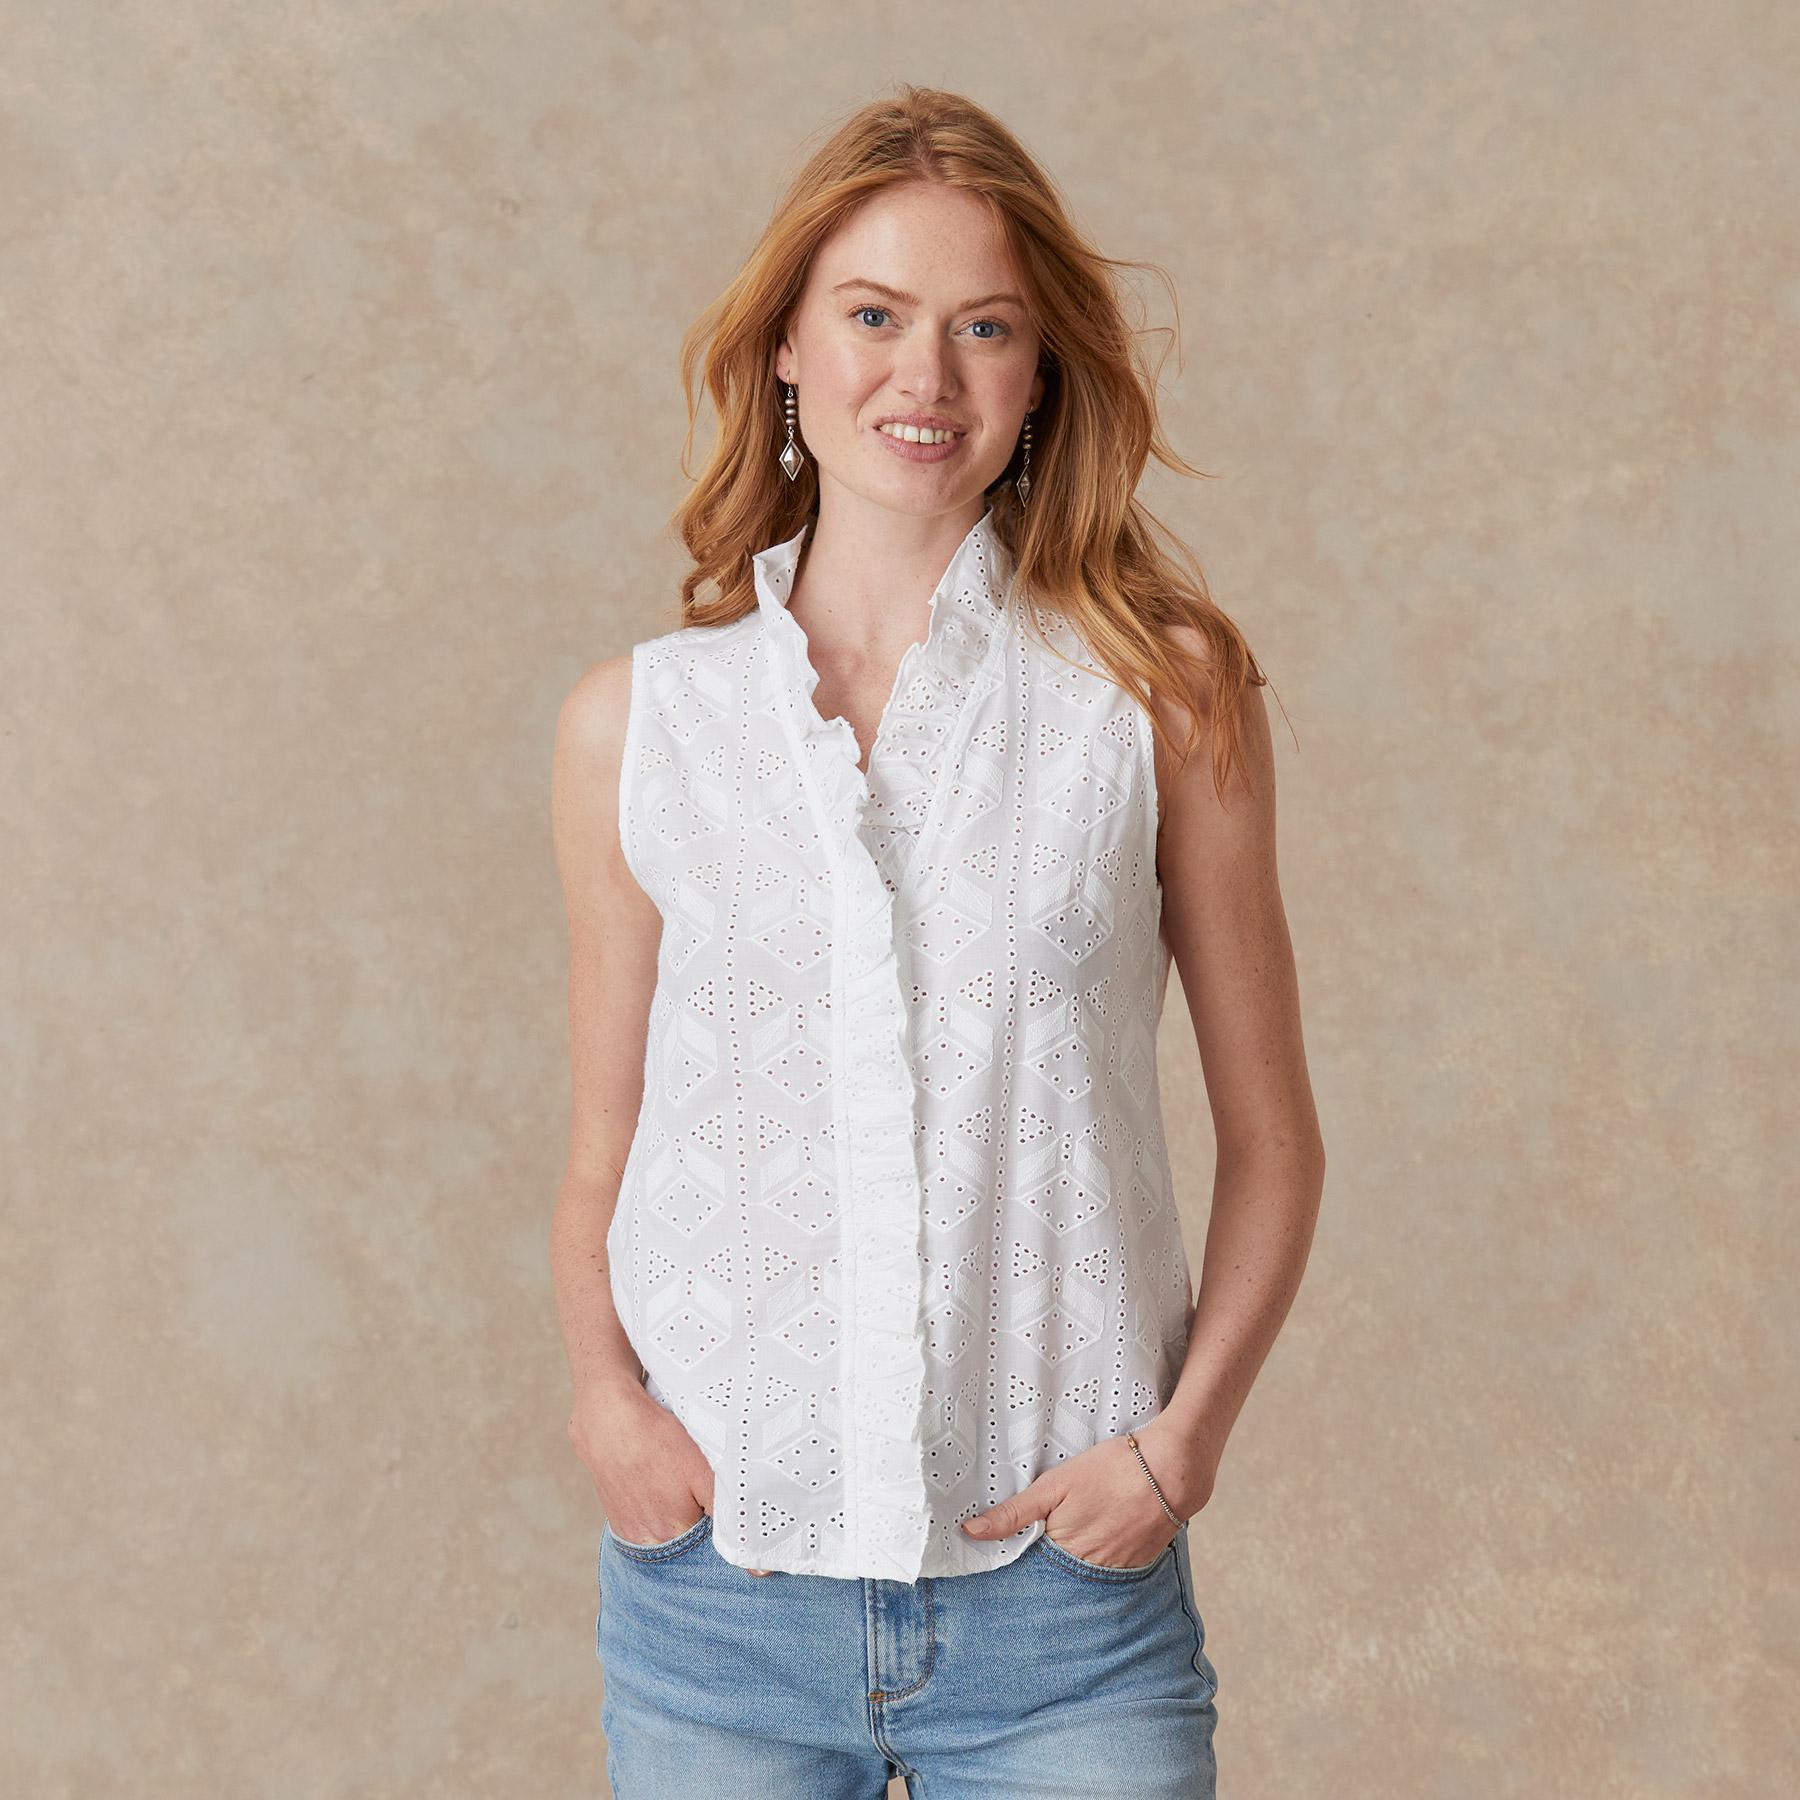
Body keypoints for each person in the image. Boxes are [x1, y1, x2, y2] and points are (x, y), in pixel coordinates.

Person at [550, 84, 1325, 1800]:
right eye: (875, 316)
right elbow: (606, 1144)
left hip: (1063, 1613)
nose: (928, 376)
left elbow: (1274, 1140)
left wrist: (1180, 1448)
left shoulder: (1159, 695)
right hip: (721, 1601)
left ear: (1041, 375)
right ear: (786, 348)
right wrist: (609, 1405)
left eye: (986, 327)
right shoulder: (642, 726)